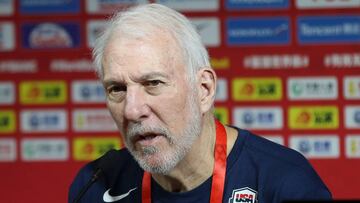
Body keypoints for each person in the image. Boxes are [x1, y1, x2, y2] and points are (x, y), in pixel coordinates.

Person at [69, 3, 332, 203]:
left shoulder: (285, 183)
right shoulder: (94, 185)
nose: (132, 110)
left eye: (153, 83)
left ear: (204, 90)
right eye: (117, 88)